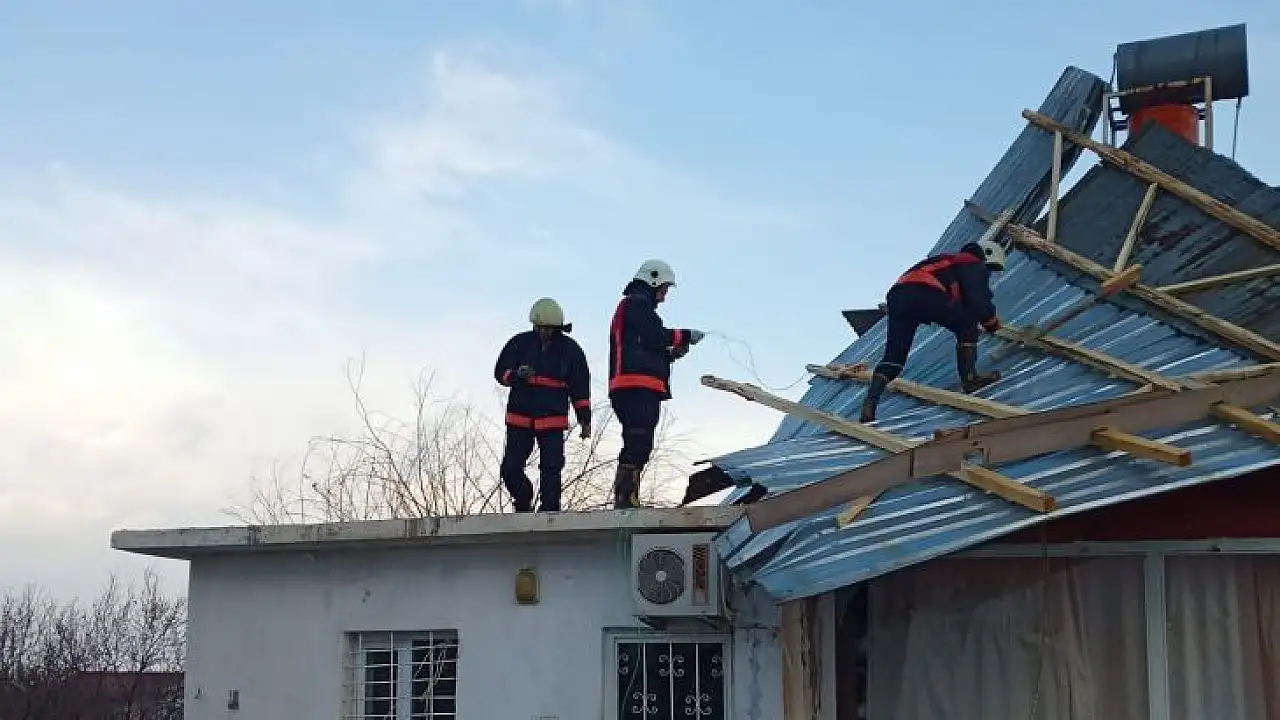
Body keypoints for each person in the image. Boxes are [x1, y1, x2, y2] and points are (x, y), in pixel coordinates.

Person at [859, 239, 1007, 423]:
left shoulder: (950, 263)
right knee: (967, 324)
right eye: (989, 270)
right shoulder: (970, 261)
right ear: (986, 256)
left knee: (894, 358)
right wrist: (991, 322)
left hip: (898, 296)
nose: (987, 274)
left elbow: (962, 298)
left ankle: (869, 404)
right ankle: (970, 379)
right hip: (924, 290)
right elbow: (977, 299)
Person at [608, 259, 705, 509]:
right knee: (638, 441)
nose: (664, 297)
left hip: (633, 386)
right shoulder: (637, 304)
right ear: (653, 282)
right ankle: (625, 499)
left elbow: (644, 346)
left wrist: (669, 355)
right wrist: (684, 335)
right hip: (635, 387)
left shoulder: (635, 307)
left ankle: (628, 497)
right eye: (663, 290)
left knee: (638, 441)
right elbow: (654, 336)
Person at [494, 297, 592, 512]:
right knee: (510, 469)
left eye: (549, 329)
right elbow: (500, 372)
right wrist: (516, 376)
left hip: (552, 419)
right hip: (520, 418)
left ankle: (550, 510)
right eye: (541, 328)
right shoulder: (519, 343)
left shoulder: (570, 350)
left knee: (552, 467)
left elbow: (580, 386)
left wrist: (585, 419)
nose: (545, 332)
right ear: (534, 325)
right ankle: (523, 498)